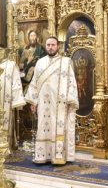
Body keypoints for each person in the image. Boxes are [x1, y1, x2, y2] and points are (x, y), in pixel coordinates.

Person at [24, 36, 79, 165]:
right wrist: (33, 101)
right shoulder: (40, 62)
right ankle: (43, 156)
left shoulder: (65, 62)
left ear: (58, 46)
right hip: (43, 102)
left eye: (53, 45)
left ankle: (57, 156)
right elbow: (34, 83)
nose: (50, 47)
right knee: (43, 125)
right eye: (48, 45)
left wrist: (70, 99)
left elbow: (72, 82)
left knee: (57, 126)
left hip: (59, 102)